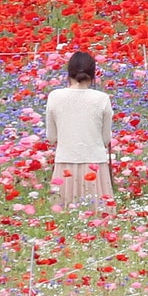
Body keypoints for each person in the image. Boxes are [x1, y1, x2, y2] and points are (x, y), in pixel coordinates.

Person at [45, 51, 113, 209]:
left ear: (69, 72)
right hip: (95, 166)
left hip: (65, 163)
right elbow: (105, 140)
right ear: (93, 73)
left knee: (63, 216)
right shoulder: (101, 98)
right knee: (98, 215)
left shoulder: (55, 96)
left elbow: (51, 137)